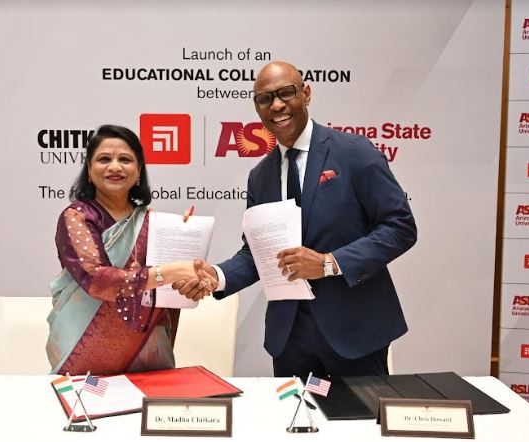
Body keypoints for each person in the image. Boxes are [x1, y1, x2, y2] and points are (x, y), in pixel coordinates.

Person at [175, 61, 417, 379]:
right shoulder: (260, 176)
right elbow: (257, 254)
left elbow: (400, 226)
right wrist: (216, 276)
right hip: (291, 340)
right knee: (296, 413)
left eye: (285, 93)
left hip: (354, 333)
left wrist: (329, 263)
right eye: (265, 99)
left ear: (306, 94)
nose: (276, 105)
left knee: (358, 414)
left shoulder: (353, 152)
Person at [45, 124, 212, 376]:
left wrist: (186, 248)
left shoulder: (152, 221)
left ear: (139, 171)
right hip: (83, 349)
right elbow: (96, 279)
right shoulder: (77, 217)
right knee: (88, 401)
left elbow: (170, 289)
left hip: (148, 349)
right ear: (89, 169)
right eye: (104, 159)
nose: (115, 166)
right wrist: (172, 271)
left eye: (125, 159)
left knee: (150, 400)